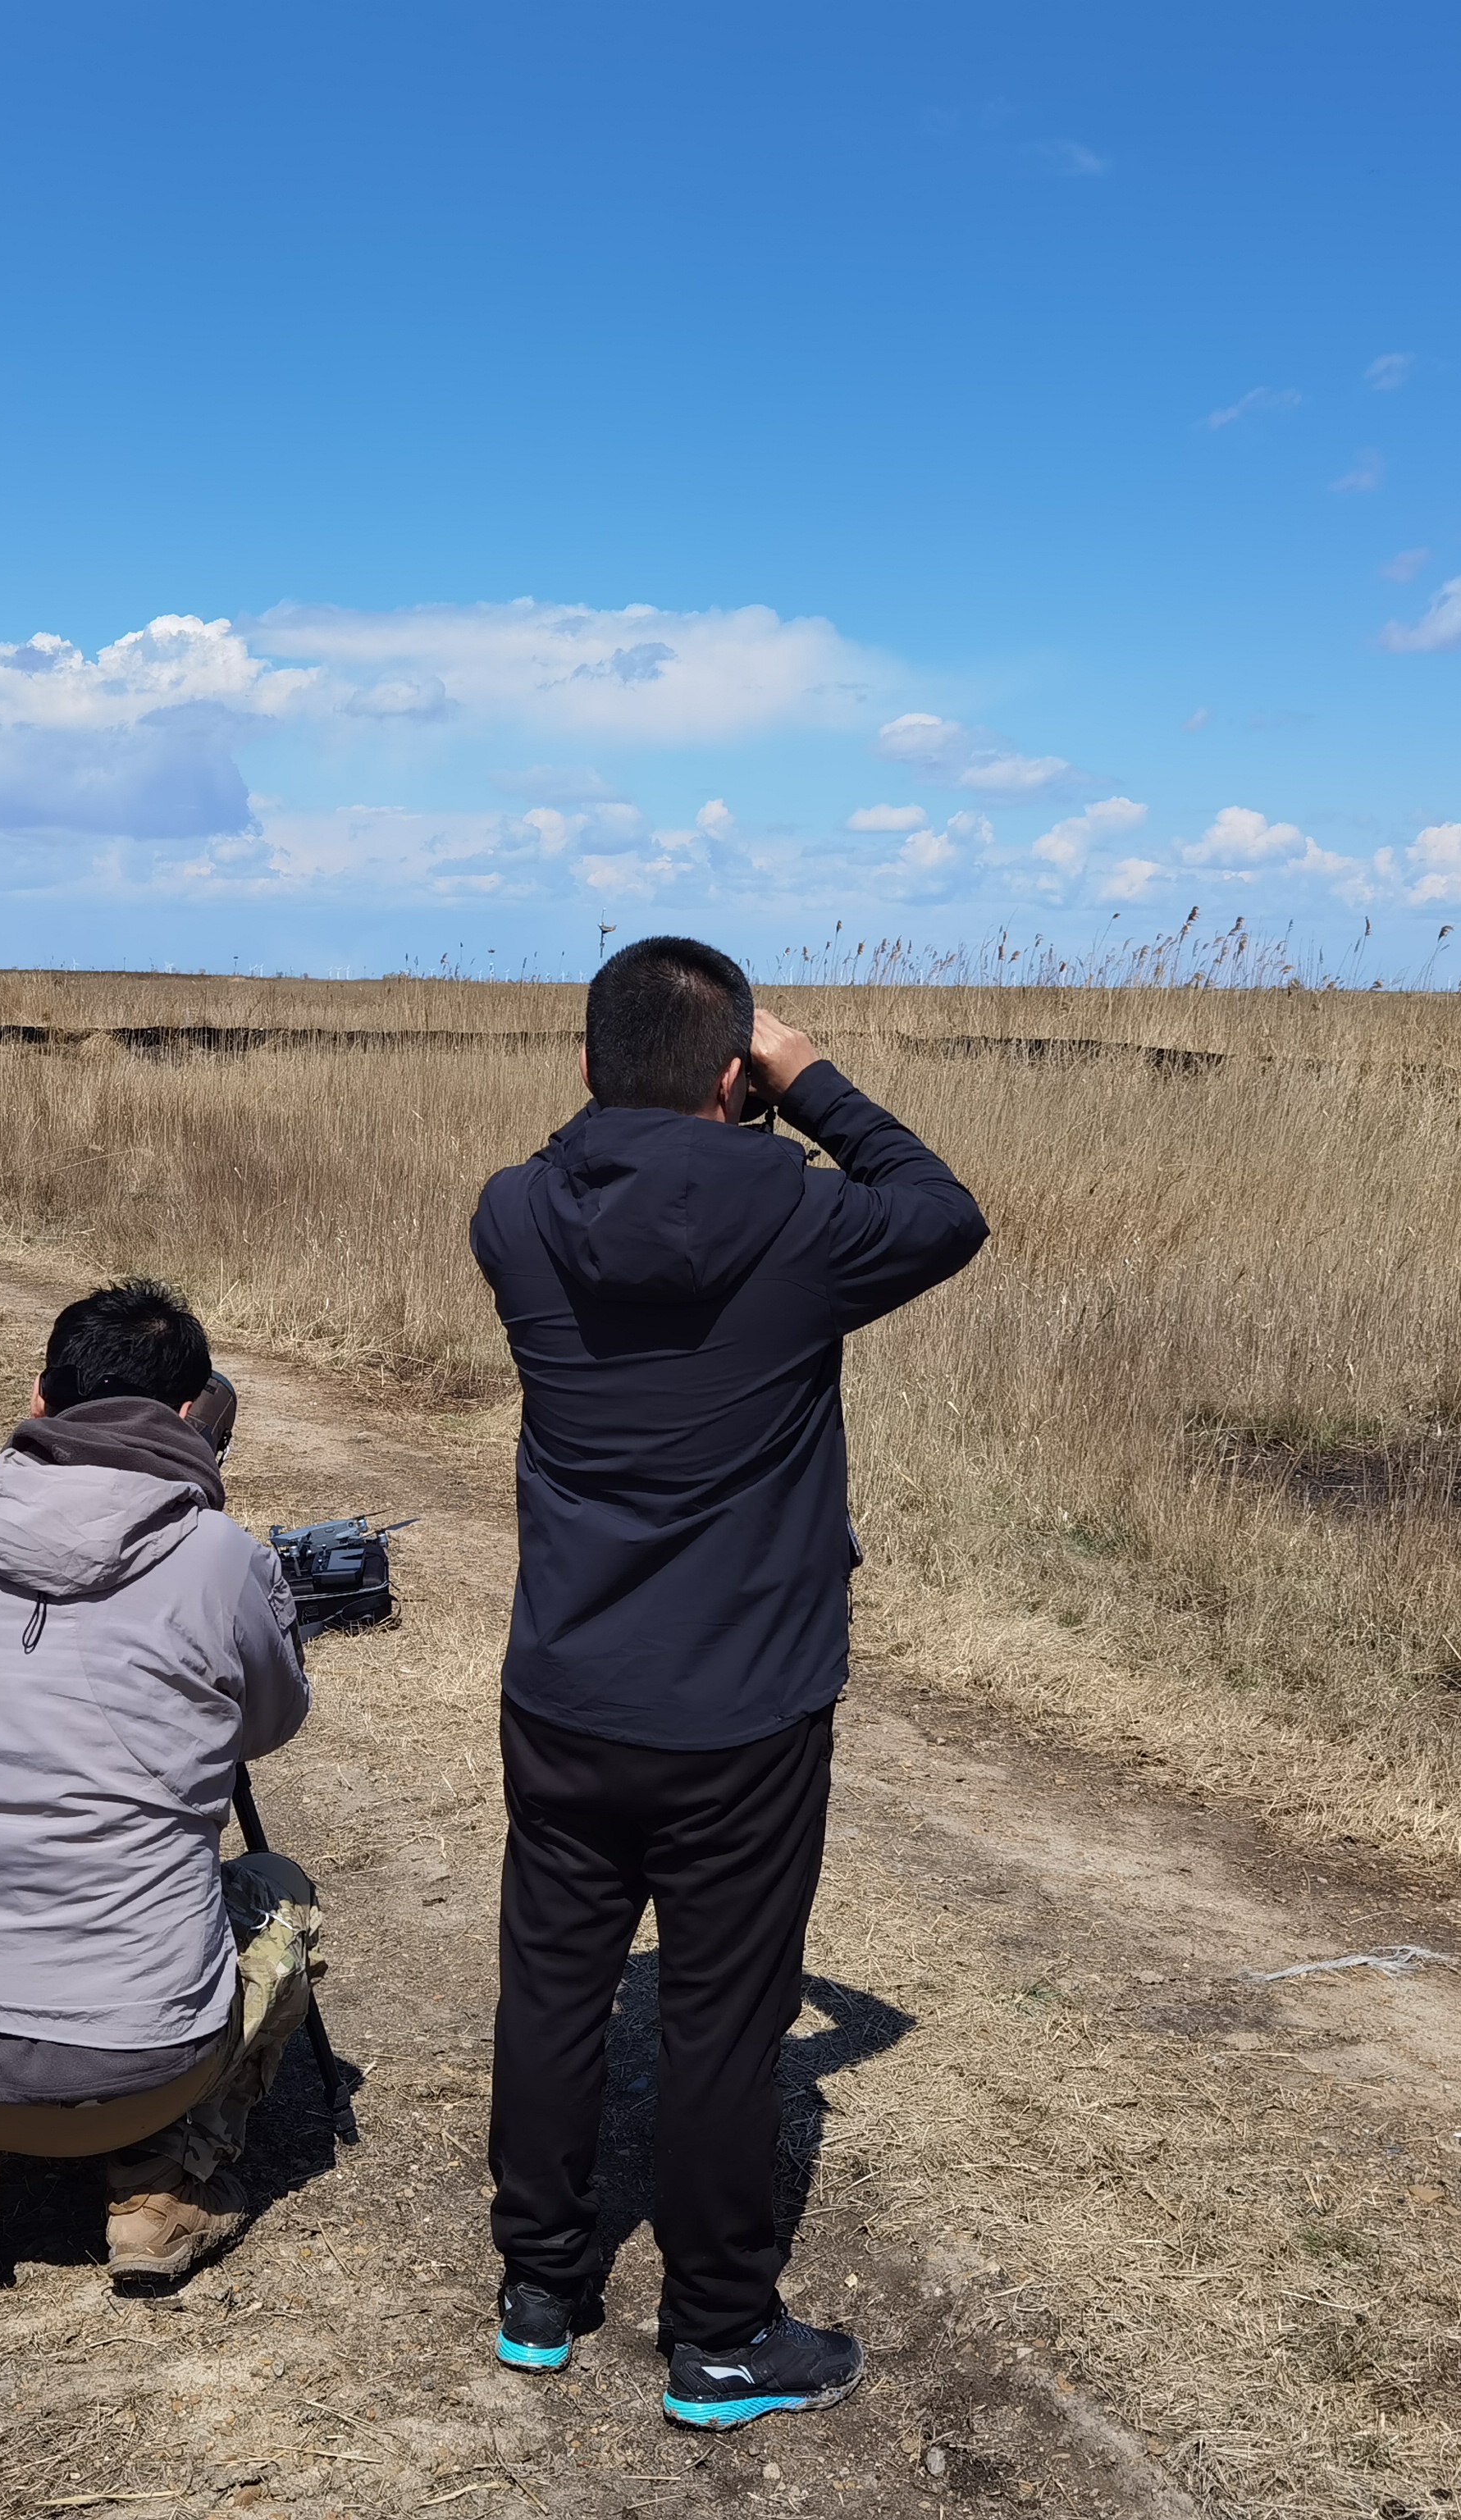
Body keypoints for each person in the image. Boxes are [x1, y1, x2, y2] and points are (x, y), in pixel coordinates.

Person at [469, 937, 988, 2430]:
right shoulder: (804, 1222)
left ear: (583, 1067)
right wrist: (808, 1078)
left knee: (554, 1986)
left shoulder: (512, 1214)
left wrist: (661, 1097)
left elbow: (576, 1160)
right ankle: (717, 2335)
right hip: (745, 1706)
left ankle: (541, 2287)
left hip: (565, 1686)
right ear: (733, 1079)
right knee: (721, 2016)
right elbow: (945, 1210)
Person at [0, 1285, 317, 2294]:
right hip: (140, 2074)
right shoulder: (222, 1559)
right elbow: (267, 1728)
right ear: (191, 1415)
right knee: (280, 1888)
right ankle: (157, 2189)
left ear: (38, 1398)